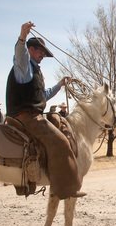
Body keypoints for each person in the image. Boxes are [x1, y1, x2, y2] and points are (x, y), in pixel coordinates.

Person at [6, 21, 85, 199]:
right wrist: (22, 37)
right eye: (40, 51)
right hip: (27, 117)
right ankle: (65, 189)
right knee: (61, 143)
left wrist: (60, 84)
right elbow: (20, 55)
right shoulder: (24, 66)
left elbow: (43, 95)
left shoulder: (35, 72)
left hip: (30, 114)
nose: (42, 54)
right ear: (31, 50)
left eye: (43, 52)